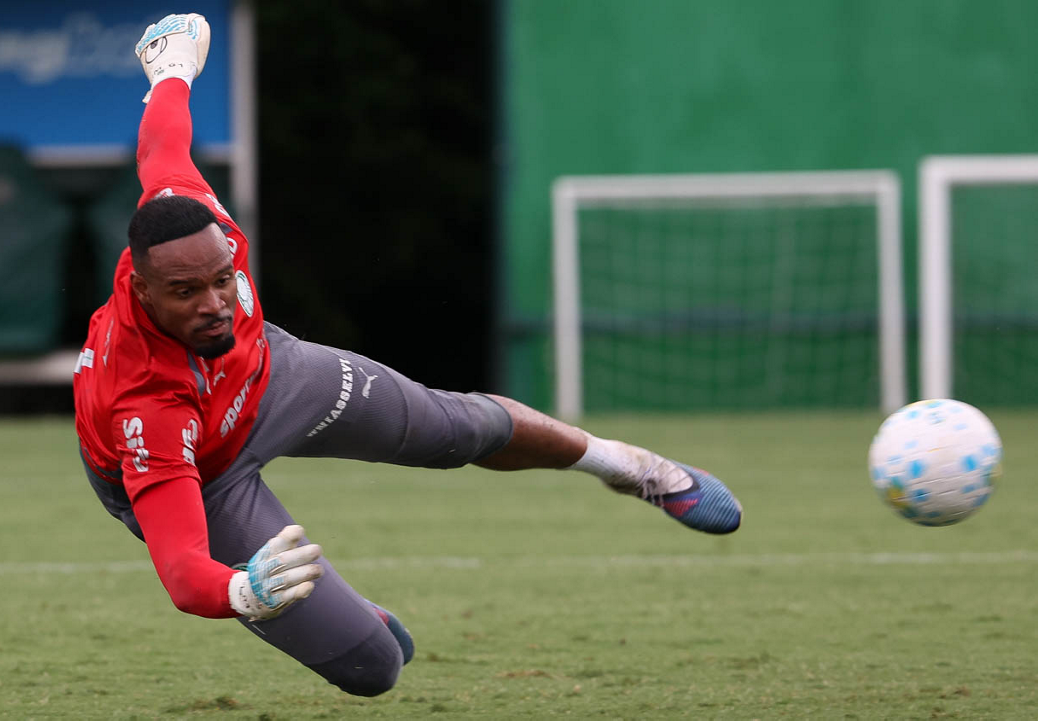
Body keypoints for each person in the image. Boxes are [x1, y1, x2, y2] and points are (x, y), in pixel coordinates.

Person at [73, 12, 742, 698]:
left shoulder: (191, 216)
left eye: (222, 279)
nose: (214, 302)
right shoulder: (145, 406)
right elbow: (184, 572)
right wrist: (244, 590)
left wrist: (172, 71)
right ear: (141, 289)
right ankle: (348, 618)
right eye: (186, 292)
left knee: (455, 429)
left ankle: (633, 467)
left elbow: (162, 147)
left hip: (265, 377)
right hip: (200, 467)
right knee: (374, 665)